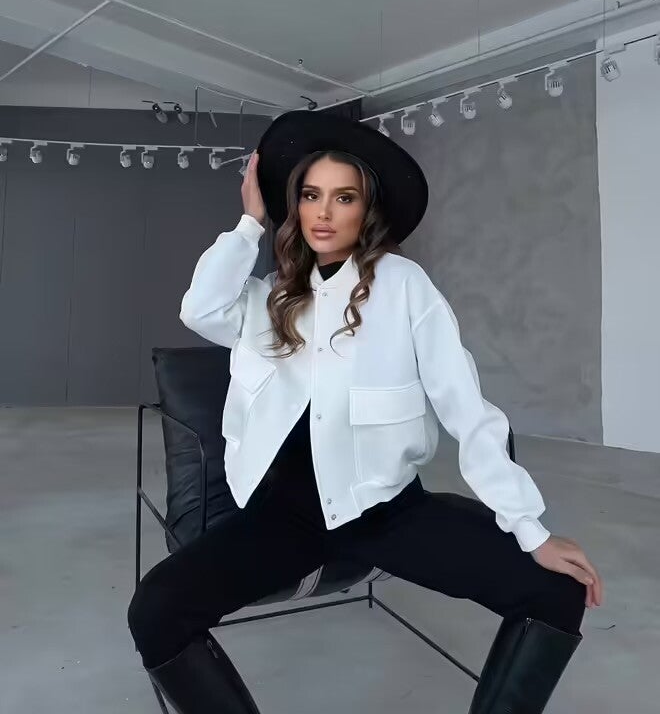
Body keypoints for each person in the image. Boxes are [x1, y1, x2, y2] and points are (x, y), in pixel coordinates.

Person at [128, 110, 603, 714]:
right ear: (294, 206)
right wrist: (250, 223)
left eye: (343, 197)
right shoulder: (272, 295)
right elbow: (199, 309)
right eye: (310, 195)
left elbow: (466, 407)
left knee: (558, 591)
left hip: (386, 513)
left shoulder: (404, 286)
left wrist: (529, 528)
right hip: (282, 518)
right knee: (156, 610)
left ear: (366, 210)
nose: (324, 213)